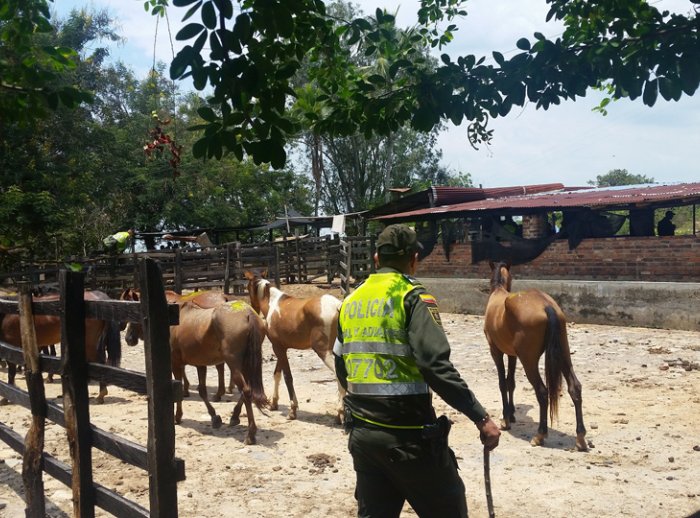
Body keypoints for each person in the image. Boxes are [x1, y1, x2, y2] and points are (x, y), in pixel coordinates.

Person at [334, 223, 501, 518]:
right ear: (414, 258)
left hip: (362, 437)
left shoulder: (351, 301)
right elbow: (434, 365)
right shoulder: (412, 297)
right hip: (407, 437)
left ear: (376, 258)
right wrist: (480, 417)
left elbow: (340, 363)